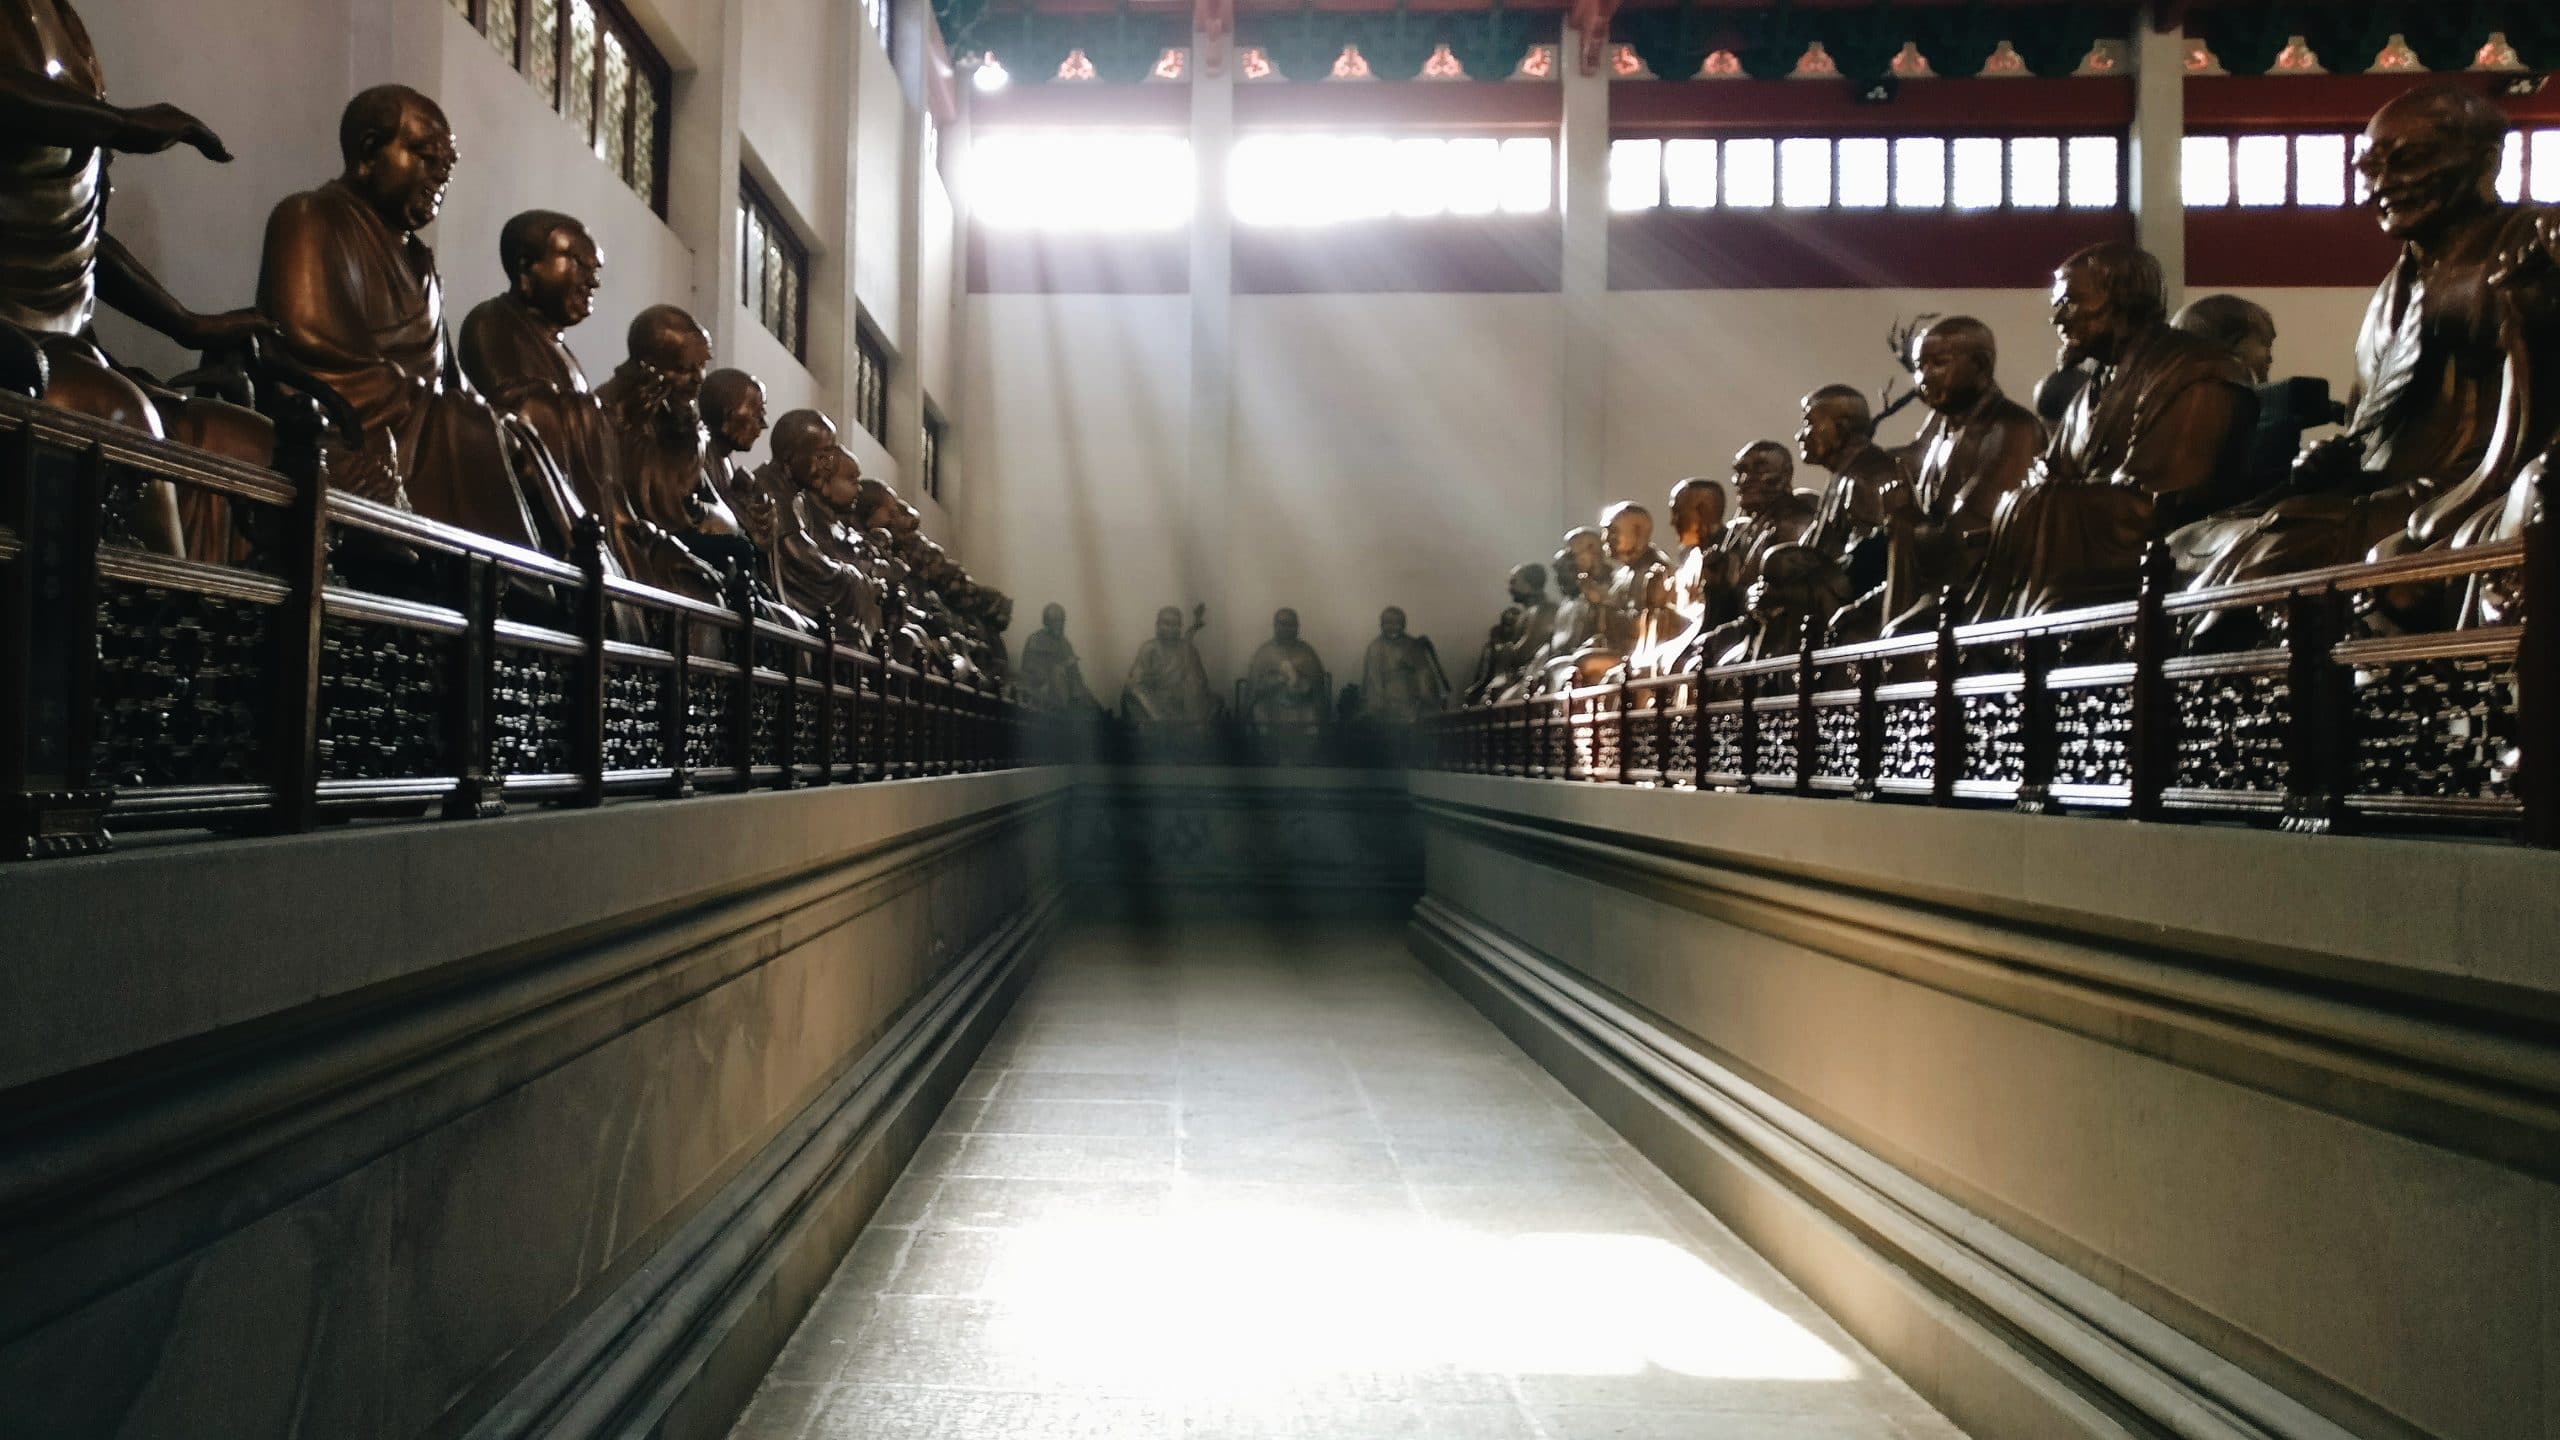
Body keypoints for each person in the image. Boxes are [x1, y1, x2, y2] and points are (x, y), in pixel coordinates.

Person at [259, 85, 556, 549]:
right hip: (351, 417)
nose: (439, 176)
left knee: (521, 439)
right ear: (370, 150)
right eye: (424, 157)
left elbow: (448, 378)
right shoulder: (310, 217)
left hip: (418, 421)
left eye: (446, 167)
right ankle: (506, 587)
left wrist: (496, 420)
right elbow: (312, 348)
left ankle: (559, 587)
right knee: (471, 427)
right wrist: (461, 415)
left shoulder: (421, 262)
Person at [1963, 242, 2252, 621]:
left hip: (2157, 552)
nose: (2058, 318)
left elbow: (2162, 498)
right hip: (2081, 545)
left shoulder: (2196, 370)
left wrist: (2048, 499)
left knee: (2040, 508)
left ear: (2122, 298)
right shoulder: (2092, 389)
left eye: (2070, 302)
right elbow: (2049, 473)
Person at [1864, 316, 2040, 636]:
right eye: (1920, 366)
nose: (1924, 377)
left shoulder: (2010, 429)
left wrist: (1906, 520)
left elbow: (1968, 543)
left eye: (1939, 364)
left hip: (1984, 595)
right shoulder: (1942, 431)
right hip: (1936, 590)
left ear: (1981, 365)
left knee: (1900, 641)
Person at [1122, 604, 1219, 722]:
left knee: (1216, 701)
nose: (1171, 628)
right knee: (1135, 706)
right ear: (1157, 626)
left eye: (1176, 625)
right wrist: (1153, 710)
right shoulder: (1149, 649)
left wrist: (1190, 689)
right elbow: (1134, 684)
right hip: (1156, 698)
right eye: (1167, 623)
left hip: (1182, 699)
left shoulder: (1187, 648)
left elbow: (1200, 680)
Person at [1356, 607, 1448, 723]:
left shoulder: (1413, 645)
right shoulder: (1375, 648)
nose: (1392, 627)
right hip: (1387, 705)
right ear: (1382, 624)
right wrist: (1379, 706)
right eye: (1388, 622)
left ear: (1403, 624)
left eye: (1396, 623)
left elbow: (1423, 673)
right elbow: (1373, 680)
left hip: (1414, 703)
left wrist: (1426, 699)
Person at [1243, 608, 1328, 726]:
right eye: (1282, 623)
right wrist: (1277, 680)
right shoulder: (1264, 652)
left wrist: (1301, 684)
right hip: (1270, 707)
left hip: (1301, 707)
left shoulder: (1307, 652)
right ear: (1275, 625)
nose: (1286, 628)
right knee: (1259, 712)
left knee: (1312, 715)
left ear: (1297, 626)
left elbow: (1318, 688)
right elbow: (1254, 688)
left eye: (1291, 624)